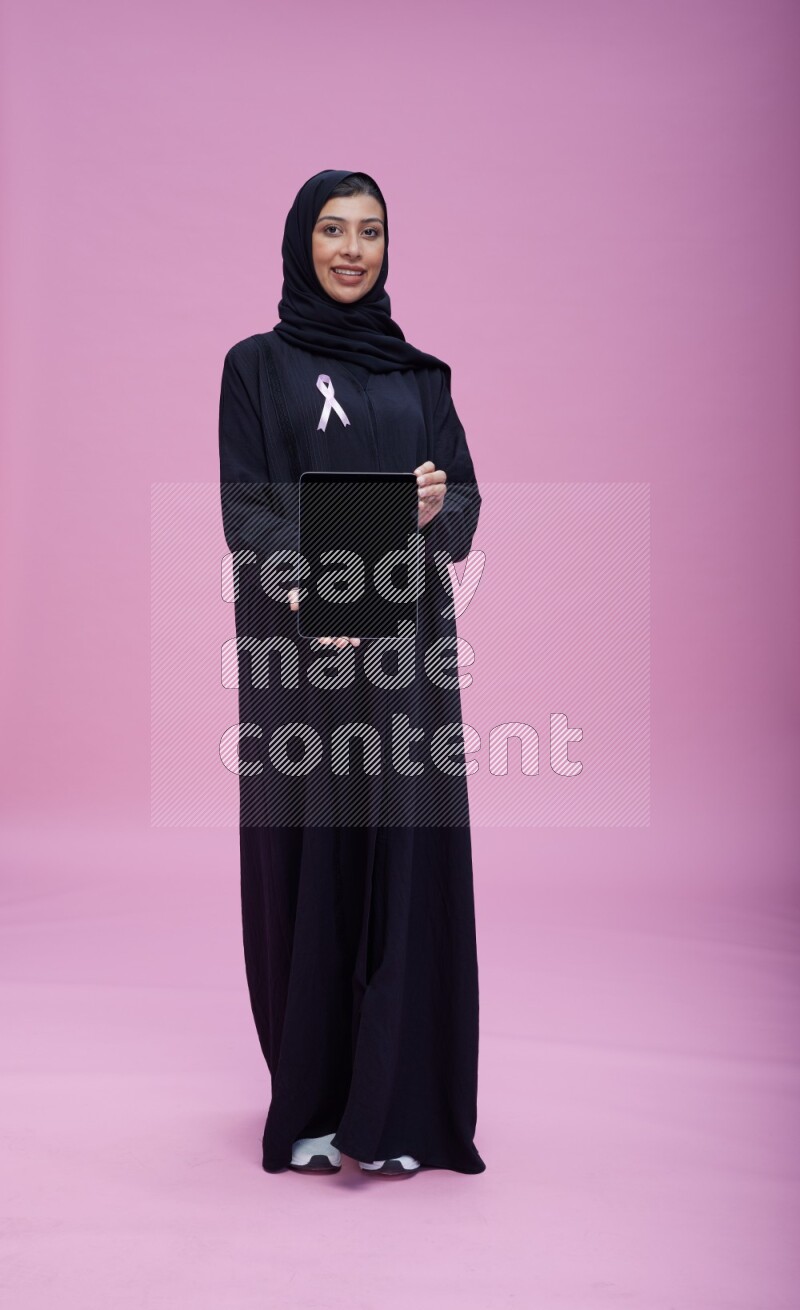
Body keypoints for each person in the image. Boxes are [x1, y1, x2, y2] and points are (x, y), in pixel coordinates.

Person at [218, 169, 485, 1178]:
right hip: (297, 652)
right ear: (300, 240)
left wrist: (427, 505)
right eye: (331, 228)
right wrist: (315, 588)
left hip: (404, 653)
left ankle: (401, 1108)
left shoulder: (422, 378)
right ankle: (317, 1103)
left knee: (402, 855)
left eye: (369, 231)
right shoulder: (254, 366)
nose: (350, 247)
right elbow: (246, 513)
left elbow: (462, 511)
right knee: (316, 856)